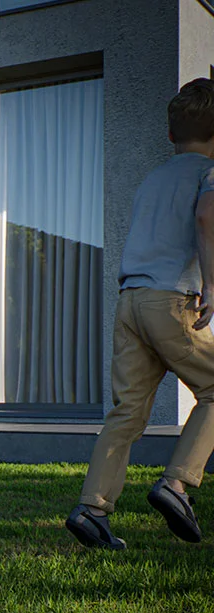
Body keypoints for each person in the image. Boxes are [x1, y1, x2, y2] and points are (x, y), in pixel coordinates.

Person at [67, 78, 214, 550]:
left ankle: (92, 509)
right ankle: (176, 484)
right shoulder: (209, 172)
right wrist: (211, 284)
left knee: (126, 412)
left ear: (170, 135)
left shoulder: (154, 178)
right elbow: (207, 217)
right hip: (171, 302)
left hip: (130, 301)